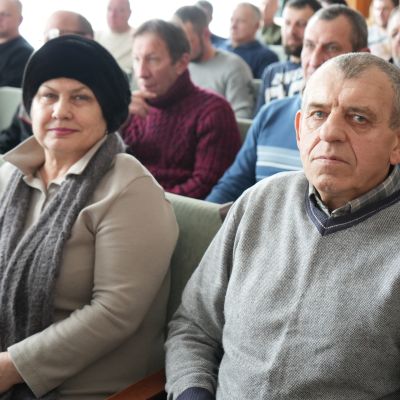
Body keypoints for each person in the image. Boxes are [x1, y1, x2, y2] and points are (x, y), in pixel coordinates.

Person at [166, 51, 400, 400]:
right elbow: (193, 325)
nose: (330, 132)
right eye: (318, 114)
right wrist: (192, 392)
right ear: (299, 130)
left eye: (358, 118)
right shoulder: (260, 201)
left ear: (397, 143)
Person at [0, 35, 178, 399]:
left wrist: (11, 367)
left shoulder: (130, 188)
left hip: (89, 387)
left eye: (80, 97)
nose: (60, 111)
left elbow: (114, 314)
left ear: (107, 111)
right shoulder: (10, 174)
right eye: (48, 96)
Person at [206, 5, 368, 204]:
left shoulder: (371, 128)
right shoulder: (270, 113)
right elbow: (231, 186)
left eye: (331, 48)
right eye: (309, 45)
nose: (314, 60)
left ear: (362, 58)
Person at [121, 19, 241, 200]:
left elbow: (205, 186)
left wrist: (147, 205)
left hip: (177, 213)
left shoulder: (213, 111)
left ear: (181, 63)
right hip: (122, 205)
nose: (141, 73)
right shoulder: (130, 109)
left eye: (152, 59)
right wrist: (115, 124)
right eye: (137, 59)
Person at [0, 10, 94, 154]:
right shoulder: (38, 84)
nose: (47, 43)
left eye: (54, 35)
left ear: (87, 39)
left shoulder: (106, 87)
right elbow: (11, 136)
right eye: (46, 36)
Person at [174, 5, 255, 119]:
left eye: (188, 42)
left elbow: (241, 119)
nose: (182, 50)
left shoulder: (234, 67)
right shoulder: (176, 67)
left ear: (206, 34)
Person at [255, 0, 321, 114]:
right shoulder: (271, 72)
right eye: (287, 23)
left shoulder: (318, 70)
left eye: (301, 24)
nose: (291, 31)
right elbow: (260, 120)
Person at [218, 3, 279, 78]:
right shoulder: (218, 47)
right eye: (232, 20)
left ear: (256, 26)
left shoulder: (266, 57)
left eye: (241, 21)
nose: (233, 25)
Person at [95, 0, 134, 75]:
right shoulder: (96, 36)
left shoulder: (138, 38)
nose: (112, 15)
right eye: (109, 9)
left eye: (120, 10)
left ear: (129, 13)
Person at [0, 0, 33, 87]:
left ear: (20, 20)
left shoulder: (23, 52)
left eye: (5, 14)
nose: (0, 18)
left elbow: (7, 91)